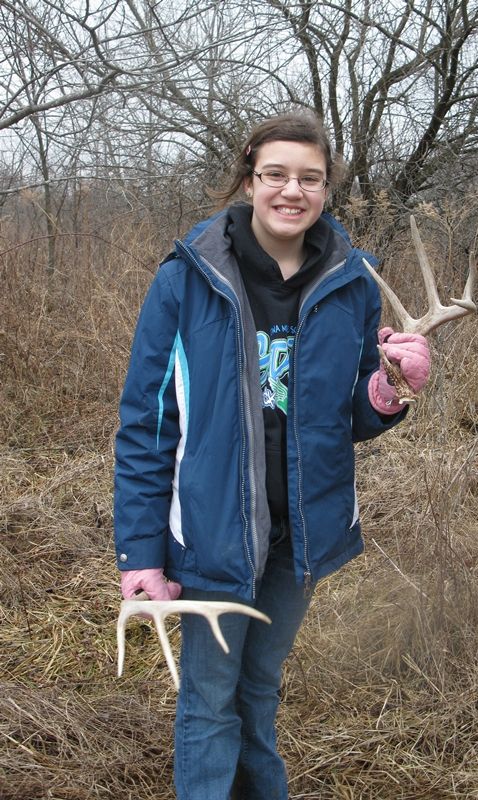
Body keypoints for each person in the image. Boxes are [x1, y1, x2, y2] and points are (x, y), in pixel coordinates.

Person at [113, 111, 430, 800]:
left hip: (300, 535)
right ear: (250, 178)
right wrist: (140, 552)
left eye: (309, 178)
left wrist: (386, 392)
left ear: (326, 188)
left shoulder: (350, 282)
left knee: (258, 690)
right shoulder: (189, 279)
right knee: (209, 703)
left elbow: (341, 418)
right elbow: (147, 423)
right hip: (213, 535)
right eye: (277, 175)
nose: (293, 191)